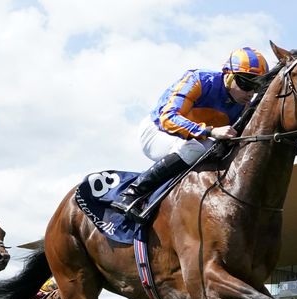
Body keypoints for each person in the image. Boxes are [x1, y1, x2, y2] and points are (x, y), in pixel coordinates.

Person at [111, 47, 269, 220]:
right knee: (196, 148)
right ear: (228, 75)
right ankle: (131, 194)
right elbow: (168, 117)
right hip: (157, 131)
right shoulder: (199, 80)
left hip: (195, 140)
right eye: (246, 84)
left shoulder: (243, 105)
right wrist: (209, 130)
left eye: (257, 87)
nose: (250, 93)